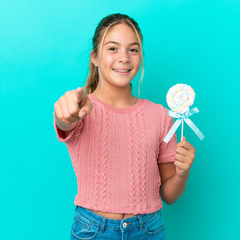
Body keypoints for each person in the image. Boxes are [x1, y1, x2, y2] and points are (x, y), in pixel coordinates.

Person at [53, 13, 196, 240]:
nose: (124, 58)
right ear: (95, 57)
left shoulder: (160, 115)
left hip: (148, 229)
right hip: (92, 230)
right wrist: (64, 113)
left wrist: (182, 172)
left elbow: (169, 195)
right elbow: (65, 120)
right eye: (112, 49)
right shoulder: (82, 108)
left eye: (133, 49)